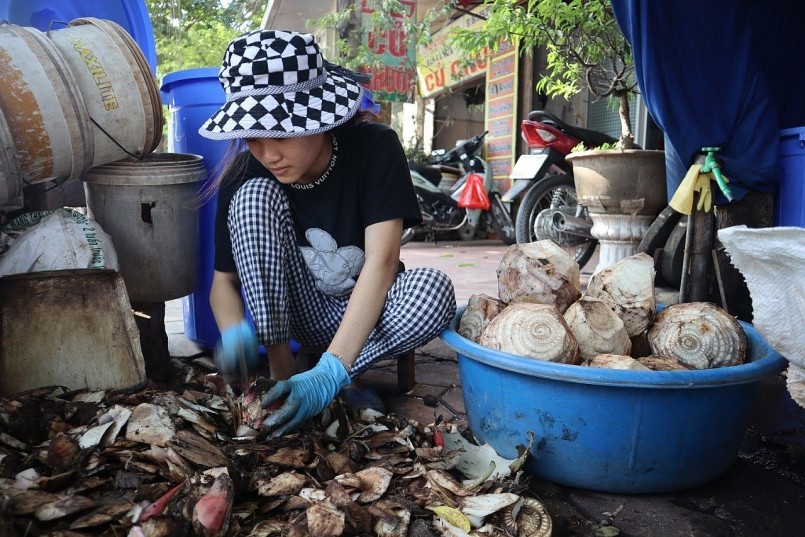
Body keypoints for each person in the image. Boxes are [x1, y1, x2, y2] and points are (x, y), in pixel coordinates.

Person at [197, 29, 457, 437]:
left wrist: (327, 374)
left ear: (320, 115)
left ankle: (332, 376)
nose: (269, 154)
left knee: (433, 291)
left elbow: (382, 262)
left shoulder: (375, 148)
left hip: (373, 310)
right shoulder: (247, 173)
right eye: (253, 136)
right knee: (252, 197)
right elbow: (223, 283)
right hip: (300, 312)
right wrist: (234, 332)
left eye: (281, 132)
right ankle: (284, 379)